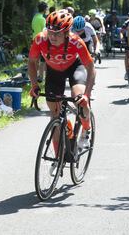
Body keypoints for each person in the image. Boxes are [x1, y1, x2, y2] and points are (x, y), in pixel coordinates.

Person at [28, 9, 96, 150]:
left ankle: (85, 131)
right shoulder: (40, 39)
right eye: (50, 32)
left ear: (66, 33)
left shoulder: (76, 41)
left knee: (79, 100)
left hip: (74, 68)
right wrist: (34, 85)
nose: (52, 36)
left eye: (57, 33)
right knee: (55, 117)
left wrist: (86, 95)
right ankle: (59, 157)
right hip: (53, 72)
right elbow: (31, 62)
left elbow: (91, 68)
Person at [32, 1, 48, 83]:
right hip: (41, 41)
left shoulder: (35, 17)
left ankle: (35, 75)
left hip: (34, 39)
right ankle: (41, 77)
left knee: (35, 59)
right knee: (43, 60)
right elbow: (44, 31)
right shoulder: (42, 19)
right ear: (45, 9)